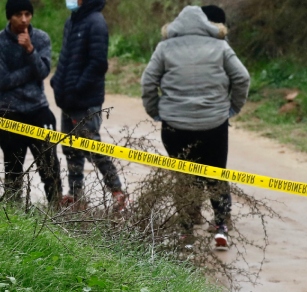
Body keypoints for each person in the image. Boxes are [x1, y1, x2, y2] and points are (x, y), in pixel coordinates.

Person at [141, 4, 249, 250]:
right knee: (216, 173)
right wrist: (232, 108)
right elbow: (242, 77)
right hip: (214, 124)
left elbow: (148, 81)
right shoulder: (220, 46)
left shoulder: (164, 47)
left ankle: (186, 233)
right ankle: (221, 228)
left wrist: (155, 111)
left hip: (174, 126)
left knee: (184, 177)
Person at [51, 0, 125, 210]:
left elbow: (98, 63)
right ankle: (75, 194)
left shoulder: (96, 22)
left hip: (85, 101)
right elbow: (66, 57)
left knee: (93, 148)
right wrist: (57, 81)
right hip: (67, 101)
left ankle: (117, 191)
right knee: (70, 149)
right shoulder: (72, 21)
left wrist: (77, 88)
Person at [0, 0, 61, 204]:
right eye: (19, 14)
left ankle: (57, 212)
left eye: (28, 14)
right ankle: (13, 215)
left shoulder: (40, 38)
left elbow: (43, 71)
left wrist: (30, 50)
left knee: (49, 166)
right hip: (9, 110)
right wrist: (30, 72)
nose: (24, 19)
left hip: (38, 107)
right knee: (13, 168)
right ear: (10, 16)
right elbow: (2, 81)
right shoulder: (1, 42)